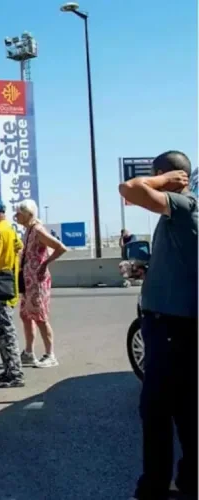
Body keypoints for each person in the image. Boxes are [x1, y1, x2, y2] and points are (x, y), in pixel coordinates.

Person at [118, 150, 197, 500]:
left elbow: (130, 189)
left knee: (156, 409)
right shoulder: (181, 216)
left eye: (158, 174)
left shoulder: (185, 206)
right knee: (186, 408)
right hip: (180, 324)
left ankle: (154, 486)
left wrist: (160, 181)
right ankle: (191, 480)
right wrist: (151, 272)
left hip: (169, 327)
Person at [14, 200, 68, 368]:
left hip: (37, 280)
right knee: (26, 315)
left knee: (40, 317)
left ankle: (50, 354)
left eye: (19, 213)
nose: (16, 216)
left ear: (28, 214)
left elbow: (60, 247)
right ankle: (29, 352)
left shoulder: (37, 230)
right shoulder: (28, 230)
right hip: (27, 279)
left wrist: (45, 263)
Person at [0, 198, 25, 388]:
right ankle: (11, 370)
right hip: (10, 278)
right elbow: (19, 247)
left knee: (4, 329)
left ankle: (14, 373)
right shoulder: (9, 228)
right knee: (5, 327)